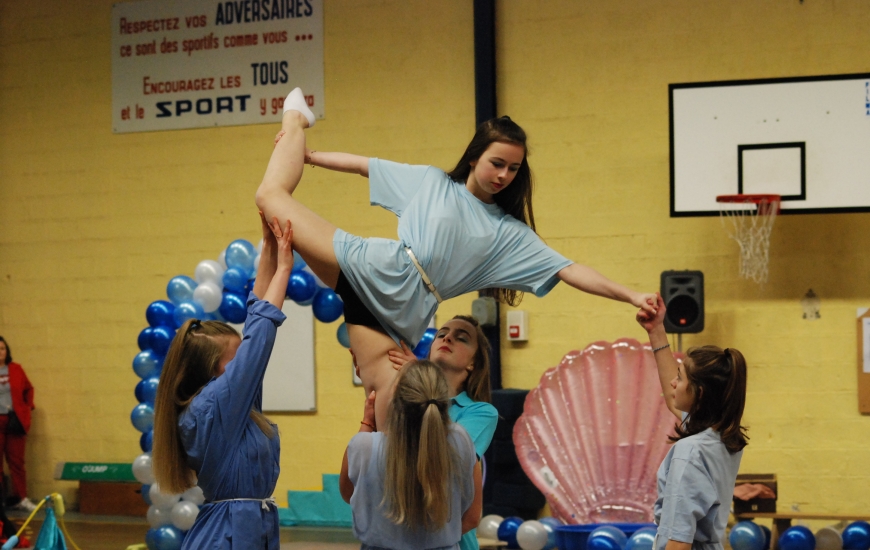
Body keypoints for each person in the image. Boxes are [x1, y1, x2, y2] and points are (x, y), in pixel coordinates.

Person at [256, 88, 657, 429]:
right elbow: (365, 167)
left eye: (513, 169)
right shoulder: (432, 182)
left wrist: (631, 295)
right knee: (270, 198)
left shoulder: (509, 234)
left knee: (387, 412)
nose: (503, 175)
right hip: (374, 265)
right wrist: (309, 156)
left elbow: (570, 270)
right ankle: (294, 118)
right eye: (496, 163)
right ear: (474, 158)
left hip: (406, 311)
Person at [152, 213, 294, 549]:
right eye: (236, 358)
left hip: (247, 529)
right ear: (214, 369)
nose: (245, 361)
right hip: (226, 537)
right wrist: (285, 268)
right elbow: (260, 333)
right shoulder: (213, 406)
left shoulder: (235, 407)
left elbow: (254, 315)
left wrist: (270, 251)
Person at [636, 294, 749, 550]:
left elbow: (679, 540)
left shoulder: (690, 451)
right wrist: (656, 330)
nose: (674, 384)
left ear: (699, 393)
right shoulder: (721, 438)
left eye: (681, 378)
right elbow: (670, 394)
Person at [339, 360, 482, 550]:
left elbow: (349, 494)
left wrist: (367, 422)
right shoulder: (460, 440)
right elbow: (472, 517)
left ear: (394, 399)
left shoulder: (363, 446)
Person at [387, 315, 498, 550]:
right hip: (400, 534)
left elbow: (443, 456)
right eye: (442, 333)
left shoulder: (480, 413)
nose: (447, 337)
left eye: (462, 338)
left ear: (473, 364)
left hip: (452, 540)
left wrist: (415, 373)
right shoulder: (401, 400)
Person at [0, 336, 36, 512]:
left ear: (7, 351)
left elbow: (29, 388)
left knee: (17, 461)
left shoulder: (16, 369)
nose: (0, 352)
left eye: (2, 348)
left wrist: (27, 407)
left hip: (14, 420)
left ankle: (21, 497)